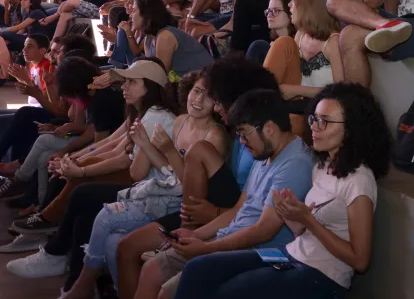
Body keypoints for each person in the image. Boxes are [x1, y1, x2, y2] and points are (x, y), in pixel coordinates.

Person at [171, 82, 389, 299]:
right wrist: (294, 216)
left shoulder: (359, 179)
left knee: (229, 292)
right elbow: (305, 234)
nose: (314, 126)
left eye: (325, 122)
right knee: (198, 269)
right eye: (314, 118)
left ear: (351, 128)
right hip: (293, 255)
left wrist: (308, 220)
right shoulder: (322, 167)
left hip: (323, 276)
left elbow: (360, 260)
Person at [113, 59, 280, 299]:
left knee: (199, 150)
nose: (214, 105)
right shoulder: (238, 132)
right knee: (126, 247)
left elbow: (252, 212)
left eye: (217, 99)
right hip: (204, 208)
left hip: (215, 214)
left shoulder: (250, 140)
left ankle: (184, 233)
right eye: (198, 92)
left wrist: (211, 217)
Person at [6, 59, 177, 290]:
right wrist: (76, 161)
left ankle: (54, 247)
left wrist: (81, 167)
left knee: (83, 192)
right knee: (84, 199)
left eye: (132, 83)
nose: (124, 87)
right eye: (124, 82)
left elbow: (130, 165)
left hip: (154, 194)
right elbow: (114, 146)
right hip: (144, 186)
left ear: (150, 87)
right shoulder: (143, 113)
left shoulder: (155, 117)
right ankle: (62, 264)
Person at [138, 87, 316, 299]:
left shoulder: (294, 165)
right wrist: (196, 235)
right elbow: (239, 208)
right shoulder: (267, 153)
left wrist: (206, 247)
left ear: (269, 127)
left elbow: (263, 231)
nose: (241, 141)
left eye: (244, 132)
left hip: (255, 251)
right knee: (151, 269)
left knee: (167, 293)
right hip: (226, 239)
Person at [0, 56, 125, 208]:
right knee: (45, 155)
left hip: (102, 146)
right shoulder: (93, 96)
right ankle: (40, 204)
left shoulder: (99, 101)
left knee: (43, 141)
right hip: (91, 139)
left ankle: (20, 181)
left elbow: (98, 140)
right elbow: (87, 129)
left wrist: (69, 156)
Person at [264, 0, 343, 105]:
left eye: (294, 1)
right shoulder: (301, 34)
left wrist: (297, 90)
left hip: (318, 108)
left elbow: (340, 92)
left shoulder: (333, 42)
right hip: (293, 102)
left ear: (308, 7)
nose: (289, 4)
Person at [0, 33, 53, 160]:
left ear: (42, 50)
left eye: (29, 46)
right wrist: (23, 80)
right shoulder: (32, 66)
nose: (24, 50)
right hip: (32, 108)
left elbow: (46, 98)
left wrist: (27, 82)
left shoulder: (46, 67)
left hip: (41, 110)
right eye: (24, 46)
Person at [132, 0, 214, 78]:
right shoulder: (148, 39)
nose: (130, 15)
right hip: (185, 84)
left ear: (146, 14)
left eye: (134, 11)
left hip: (204, 83)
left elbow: (159, 77)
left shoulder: (165, 36)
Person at [244, 0, 295, 65]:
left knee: (258, 46)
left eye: (275, 10)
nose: (269, 15)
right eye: (268, 10)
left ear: (289, 13)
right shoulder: (271, 43)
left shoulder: (298, 42)